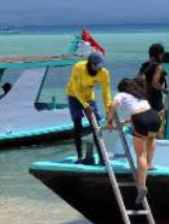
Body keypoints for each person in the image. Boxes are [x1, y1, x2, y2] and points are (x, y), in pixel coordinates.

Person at [109, 77, 161, 206]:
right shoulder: (140, 95)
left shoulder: (121, 94)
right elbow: (142, 112)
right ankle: (150, 164)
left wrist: (109, 121)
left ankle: (142, 186)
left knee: (140, 155)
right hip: (154, 117)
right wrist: (126, 122)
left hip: (140, 119)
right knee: (151, 139)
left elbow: (112, 105)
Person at [66, 51, 115, 164]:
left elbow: (106, 93)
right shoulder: (78, 67)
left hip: (89, 97)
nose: (98, 68)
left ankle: (102, 157)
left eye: (100, 65)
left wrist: (108, 109)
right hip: (74, 96)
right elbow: (76, 89)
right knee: (77, 125)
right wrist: (86, 106)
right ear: (90, 63)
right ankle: (79, 156)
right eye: (96, 66)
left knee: (96, 126)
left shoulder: (104, 73)